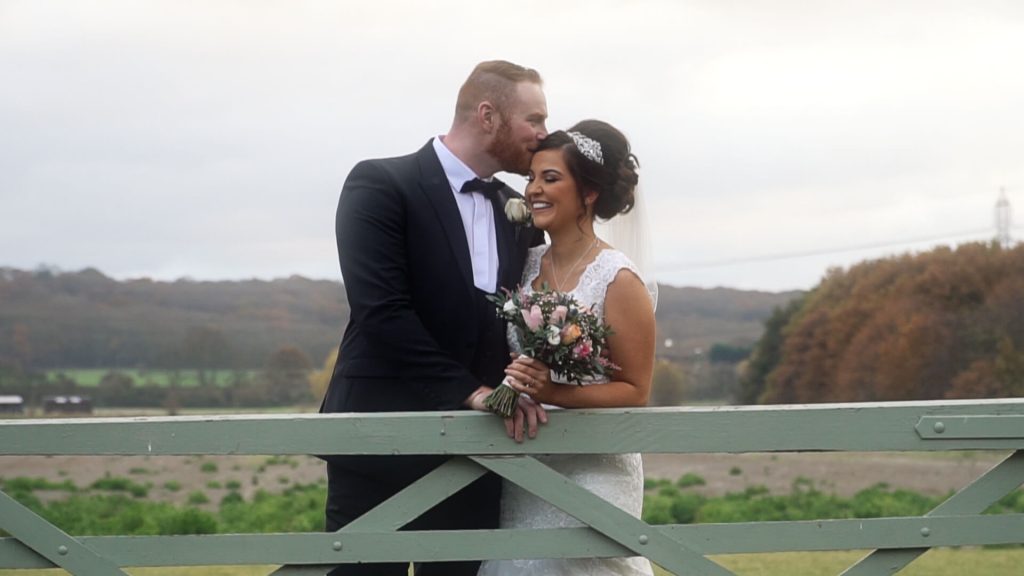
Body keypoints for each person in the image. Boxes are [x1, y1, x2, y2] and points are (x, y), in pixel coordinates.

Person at [319, 60, 548, 576]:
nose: (543, 133)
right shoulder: (380, 183)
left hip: (479, 454)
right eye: (533, 118)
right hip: (378, 439)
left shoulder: (518, 210)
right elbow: (382, 312)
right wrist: (472, 393)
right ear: (488, 116)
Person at [478, 120, 657, 576]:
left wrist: (553, 393)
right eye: (532, 178)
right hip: (526, 464)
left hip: (594, 467)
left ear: (590, 192)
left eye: (551, 178)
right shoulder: (523, 264)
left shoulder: (618, 279)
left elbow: (635, 391)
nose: (534, 189)